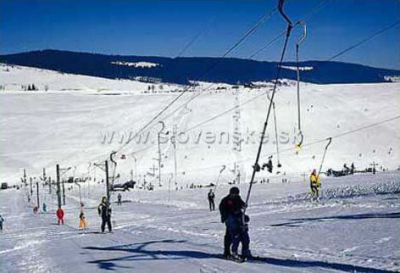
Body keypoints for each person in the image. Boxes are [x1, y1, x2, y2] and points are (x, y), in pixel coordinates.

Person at [219, 186, 246, 259]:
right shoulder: (225, 200)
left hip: (237, 219)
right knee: (229, 235)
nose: (235, 195)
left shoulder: (238, 198)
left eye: (236, 194)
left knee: (241, 234)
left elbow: (241, 204)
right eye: (233, 194)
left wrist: (243, 205)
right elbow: (222, 209)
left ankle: (244, 251)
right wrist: (227, 216)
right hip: (229, 220)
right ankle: (227, 252)